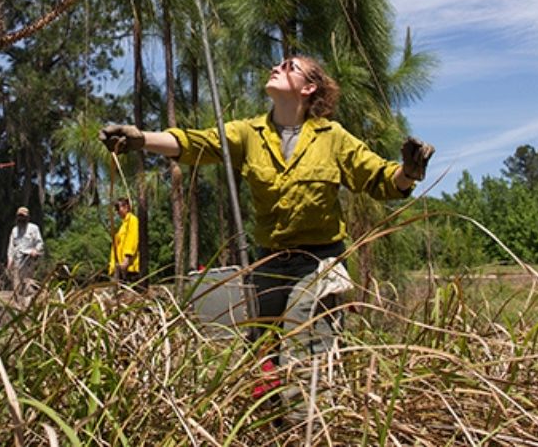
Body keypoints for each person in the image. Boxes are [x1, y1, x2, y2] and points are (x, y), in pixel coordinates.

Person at [100, 54, 434, 393]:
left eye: (290, 67)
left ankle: (310, 426)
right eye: (277, 64)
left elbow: (380, 179)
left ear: (309, 87)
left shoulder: (332, 137)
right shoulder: (249, 134)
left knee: (308, 349)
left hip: (319, 264)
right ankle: (275, 426)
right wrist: (141, 139)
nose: (277, 67)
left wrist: (408, 171)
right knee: (262, 359)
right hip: (269, 266)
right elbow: (194, 143)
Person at [6, 206, 44, 307]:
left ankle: (27, 308)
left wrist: (35, 250)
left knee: (28, 285)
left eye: (23, 216)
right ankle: (17, 308)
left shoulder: (34, 228)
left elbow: (39, 243)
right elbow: (11, 247)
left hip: (29, 262)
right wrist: (9, 260)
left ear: (28, 217)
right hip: (17, 263)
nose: (21, 218)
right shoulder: (14, 230)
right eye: (19, 216)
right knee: (16, 286)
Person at [108, 197, 140, 283]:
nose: (117, 211)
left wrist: (127, 259)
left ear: (126, 207)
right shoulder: (123, 226)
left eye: (118, 208)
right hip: (120, 269)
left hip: (129, 268)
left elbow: (132, 239)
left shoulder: (132, 220)